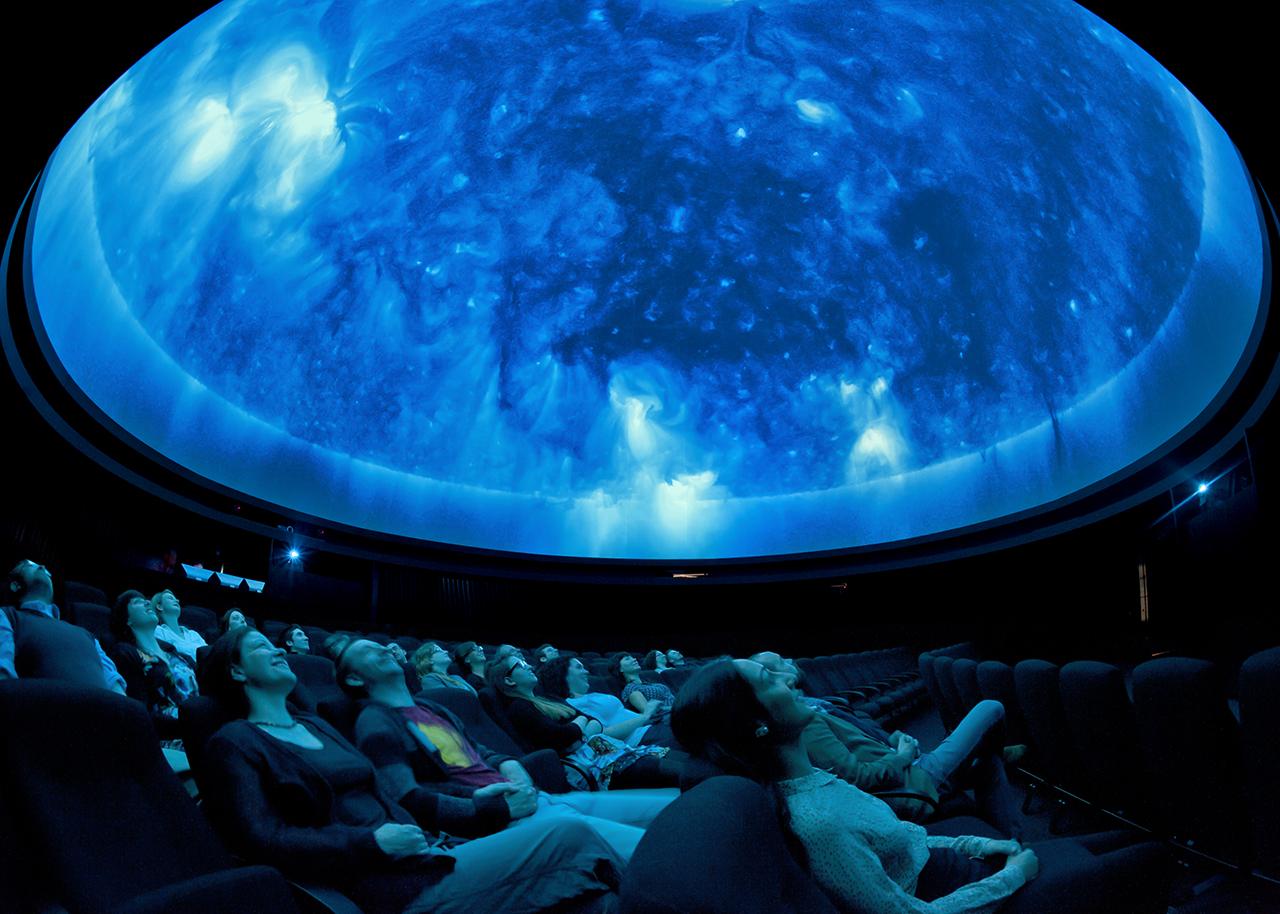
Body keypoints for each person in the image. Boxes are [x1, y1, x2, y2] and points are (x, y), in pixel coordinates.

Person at [672, 659, 1169, 914]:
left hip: (963, 863)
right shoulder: (815, 821)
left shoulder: (813, 780)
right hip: (969, 894)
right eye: (771, 678)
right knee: (1156, 855)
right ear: (758, 722)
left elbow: (907, 837)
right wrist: (1011, 875)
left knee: (1128, 843)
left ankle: (1009, 803)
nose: (791, 679)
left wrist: (982, 842)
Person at [197, 628, 624, 914]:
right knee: (574, 835)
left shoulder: (316, 725)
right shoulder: (235, 742)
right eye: (259, 647)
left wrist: (475, 803)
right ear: (236, 670)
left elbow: (393, 793)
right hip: (382, 881)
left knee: (602, 900)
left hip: (428, 851)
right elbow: (261, 838)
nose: (275, 649)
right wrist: (368, 842)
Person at [337, 638, 675, 861]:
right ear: (354, 679)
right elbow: (407, 797)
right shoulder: (376, 721)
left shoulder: (434, 709)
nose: (381, 650)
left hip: (531, 797)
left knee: (670, 805)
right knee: (652, 849)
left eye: (378, 646)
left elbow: (481, 752)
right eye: (366, 652)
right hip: (497, 818)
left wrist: (511, 764)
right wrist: (491, 809)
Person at [751, 651, 1022, 834]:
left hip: (905, 761)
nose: (789, 665)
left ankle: (1012, 843)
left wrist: (894, 739)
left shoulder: (816, 705)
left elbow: (862, 736)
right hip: (911, 776)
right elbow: (856, 777)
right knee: (991, 707)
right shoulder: (805, 722)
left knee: (989, 764)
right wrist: (902, 756)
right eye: (776, 668)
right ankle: (996, 755)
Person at [487, 654, 678, 790]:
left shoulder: (546, 701)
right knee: (680, 769)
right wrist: (580, 725)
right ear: (509, 680)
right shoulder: (519, 707)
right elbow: (560, 736)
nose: (528, 665)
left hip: (607, 749)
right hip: (594, 763)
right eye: (520, 664)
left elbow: (593, 722)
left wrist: (579, 729)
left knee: (677, 760)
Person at [0, 559, 127, 693]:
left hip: (106, 709)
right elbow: (4, 678)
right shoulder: (6, 616)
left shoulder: (86, 634)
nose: (42, 566)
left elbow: (114, 683)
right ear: (15, 585)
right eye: (30, 565)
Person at [110, 589, 199, 748]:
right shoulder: (126, 653)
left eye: (145, 599)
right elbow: (139, 711)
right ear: (127, 620)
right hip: (167, 742)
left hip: (199, 732)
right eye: (137, 602)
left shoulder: (177, 654)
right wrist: (190, 725)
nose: (146, 602)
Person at [539, 656, 668, 747]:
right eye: (579, 668)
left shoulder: (591, 695)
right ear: (563, 674)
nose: (586, 671)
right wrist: (645, 715)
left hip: (651, 728)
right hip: (642, 738)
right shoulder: (572, 704)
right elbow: (603, 735)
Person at [152, 588, 207, 665]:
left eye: (176, 599)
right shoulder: (158, 631)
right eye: (170, 598)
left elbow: (209, 656)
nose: (177, 601)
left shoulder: (194, 634)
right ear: (159, 606)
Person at [612, 653, 675, 718]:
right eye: (627, 659)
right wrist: (677, 708)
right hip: (670, 716)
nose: (634, 659)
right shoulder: (631, 688)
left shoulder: (649, 683)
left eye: (633, 658)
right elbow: (649, 713)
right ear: (620, 669)